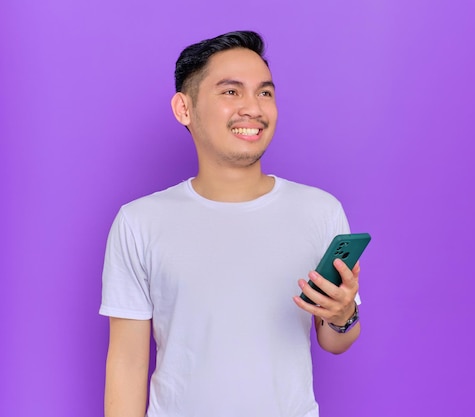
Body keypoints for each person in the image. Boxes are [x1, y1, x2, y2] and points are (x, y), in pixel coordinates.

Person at [100, 30, 362, 417]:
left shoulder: (319, 210)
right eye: (231, 92)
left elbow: (335, 340)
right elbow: (127, 363)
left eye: (265, 93)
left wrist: (344, 317)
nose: (253, 108)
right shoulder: (139, 221)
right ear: (184, 109)